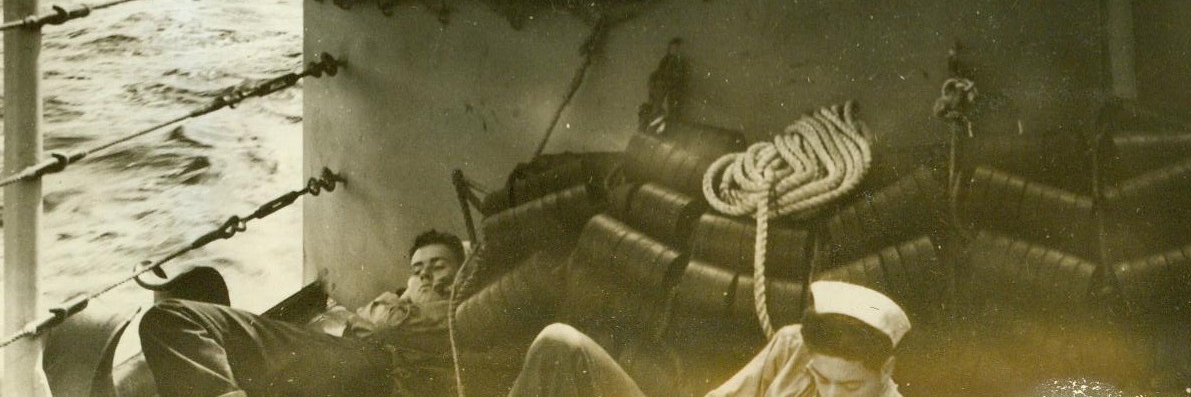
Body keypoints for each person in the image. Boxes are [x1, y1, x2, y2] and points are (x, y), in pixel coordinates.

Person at [139, 229, 465, 397]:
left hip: (378, 371)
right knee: (173, 318)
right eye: (416, 269)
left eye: (437, 266)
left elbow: (374, 331)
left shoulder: (465, 307)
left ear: (463, 272)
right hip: (348, 362)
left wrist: (404, 299)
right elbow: (358, 329)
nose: (423, 276)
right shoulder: (405, 303)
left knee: (171, 318)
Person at [507, 280, 911, 397]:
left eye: (852, 386)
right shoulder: (794, 346)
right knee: (559, 343)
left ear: (886, 370)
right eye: (823, 380)